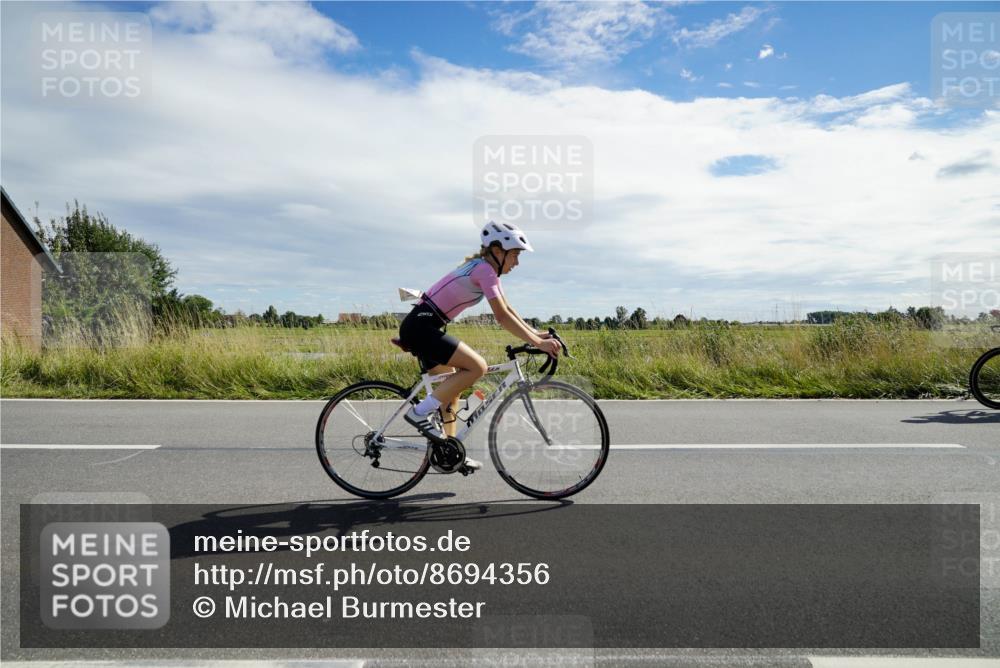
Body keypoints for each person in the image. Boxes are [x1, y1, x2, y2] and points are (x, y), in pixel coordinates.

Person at [397, 221, 561, 470]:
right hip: (422, 328)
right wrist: (538, 343)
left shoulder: (486, 270)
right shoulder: (484, 271)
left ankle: (447, 454)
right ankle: (419, 413)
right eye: (515, 255)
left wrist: (536, 334)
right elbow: (502, 318)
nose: (517, 262)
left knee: (450, 392)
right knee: (477, 367)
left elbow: (508, 310)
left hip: (423, 326)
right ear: (498, 251)